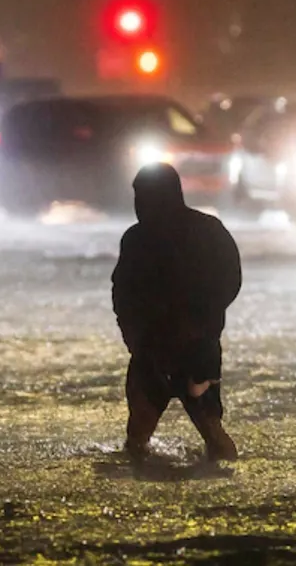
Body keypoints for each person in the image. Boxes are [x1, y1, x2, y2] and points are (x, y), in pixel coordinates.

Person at [111, 162, 242, 462]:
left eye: (142, 196)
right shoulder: (140, 239)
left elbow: (228, 281)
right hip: (168, 348)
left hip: (183, 349)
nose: (138, 204)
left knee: (201, 433)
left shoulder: (148, 238)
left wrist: (197, 323)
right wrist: (136, 338)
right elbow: (123, 293)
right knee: (144, 438)